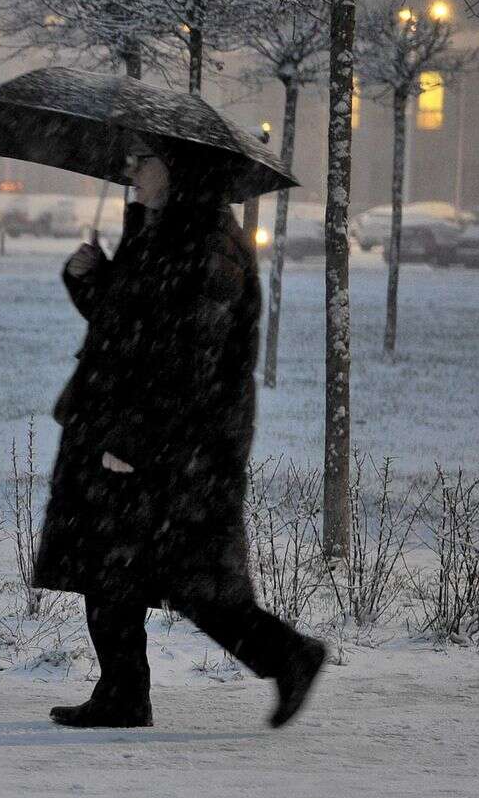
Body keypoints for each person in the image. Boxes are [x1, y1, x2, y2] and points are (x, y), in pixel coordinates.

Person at [34, 133, 326, 729]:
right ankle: (122, 694)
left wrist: (134, 440)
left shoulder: (206, 247)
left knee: (192, 577)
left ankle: (288, 655)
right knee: (110, 565)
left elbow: (186, 358)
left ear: (177, 168)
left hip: (181, 444)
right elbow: (127, 325)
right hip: (136, 429)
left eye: (143, 159)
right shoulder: (159, 233)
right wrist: (88, 277)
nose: (130, 168)